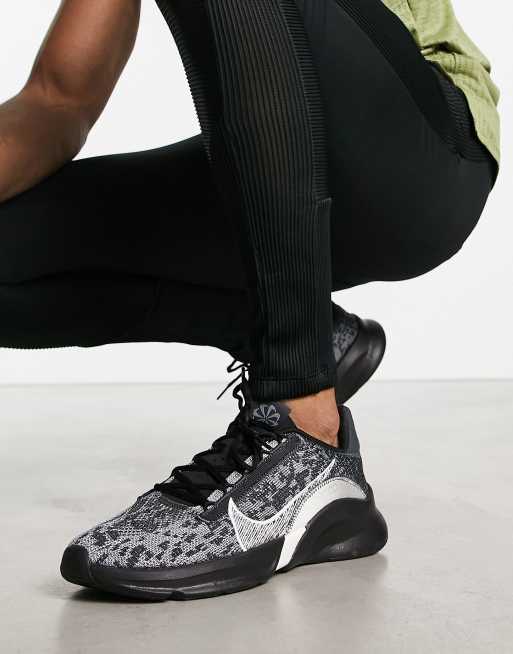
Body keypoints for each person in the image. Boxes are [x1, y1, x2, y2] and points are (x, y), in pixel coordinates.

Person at [0, 0, 499, 600]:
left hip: (422, 152)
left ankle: (305, 431)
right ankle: (305, 338)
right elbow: (58, 97)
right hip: (274, 167)